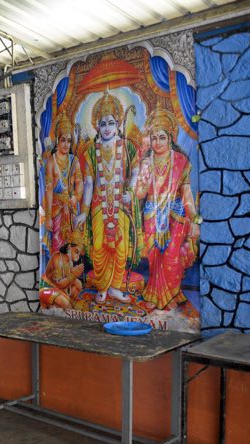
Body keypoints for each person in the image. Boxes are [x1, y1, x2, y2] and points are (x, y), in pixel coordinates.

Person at [75, 90, 139, 304]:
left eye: (111, 122)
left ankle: (115, 288)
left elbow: (136, 172)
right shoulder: (90, 153)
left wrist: (129, 191)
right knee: (99, 246)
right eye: (103, 124)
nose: (107, 128)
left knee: (121, 247)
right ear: (97, 126)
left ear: (118, 124)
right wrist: (84, 212)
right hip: (98, 206)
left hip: (120, 204)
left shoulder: (128, 147)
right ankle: (102, 287)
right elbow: (89, 183)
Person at [135, 108, 199, 310]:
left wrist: (195, 220)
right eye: (153, 138)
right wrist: (143, 183)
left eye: (161, 137)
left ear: (170, 137)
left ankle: (171, 294)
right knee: (155, 259)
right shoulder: (146, 162)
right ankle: (155, 295)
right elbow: (138, 194)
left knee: (172, 258)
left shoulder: (181, 161)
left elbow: (187, 193)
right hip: (153, 213)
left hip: (175, 214)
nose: (157, 143)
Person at [44, 112, 83, 253]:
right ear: (57, 141)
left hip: (71, 207)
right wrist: (48, 217)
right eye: (63, 140)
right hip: (56, 209)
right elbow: (48, 190)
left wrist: (76, 197)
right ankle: (58, 272)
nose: (66, 144)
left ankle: (69, 273)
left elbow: (79, 182)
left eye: (69, 140)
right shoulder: (51, 162)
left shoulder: (74, 161)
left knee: (72, 244)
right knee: (57, 243)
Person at [40, 243, 84, 309]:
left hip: (59, 289)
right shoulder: (57, 258)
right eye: (76, 252)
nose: (78, 256)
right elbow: (58, 284)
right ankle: (51, 305)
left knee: (78, 284)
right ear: (69, 247)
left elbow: (68, 283)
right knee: (67, 306)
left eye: (79, 254)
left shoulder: (70, 263)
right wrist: (73, 275)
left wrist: (74, 275)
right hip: (47, 287)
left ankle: (62, 303)